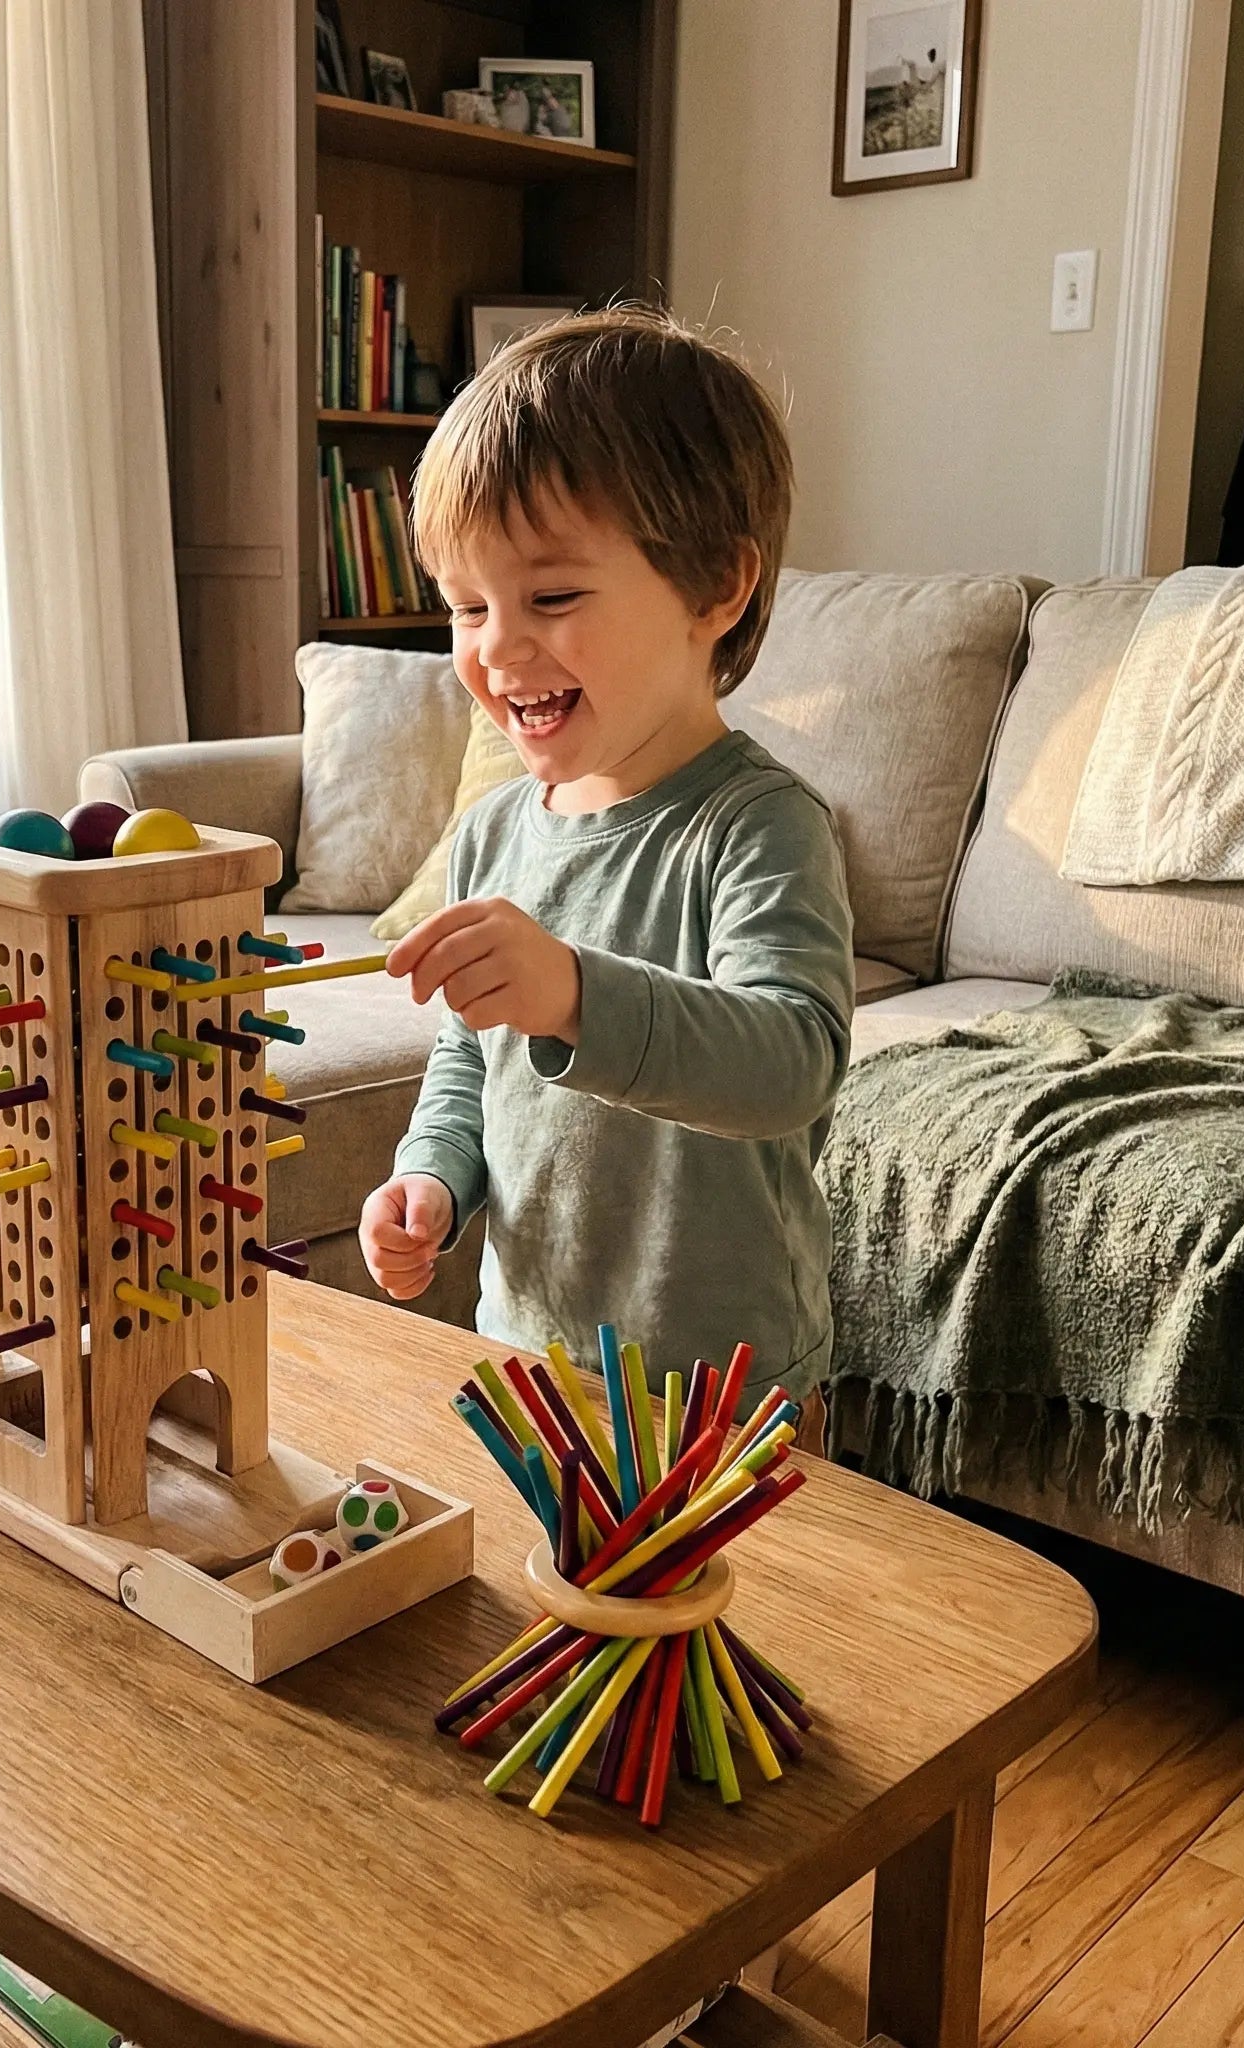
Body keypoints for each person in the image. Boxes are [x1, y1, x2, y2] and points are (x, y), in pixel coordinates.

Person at [358, 306, 854, 1434]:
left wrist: (575, 995)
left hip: (723, 1381)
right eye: (466, 606)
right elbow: (465, 1063)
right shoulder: (491, 833)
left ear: (713, 590)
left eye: (552, 596)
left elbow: (793, 1061)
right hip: (526, 1344)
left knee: (730, 1615)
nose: (493, 646)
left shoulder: (759, 824)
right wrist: (431, 1179)